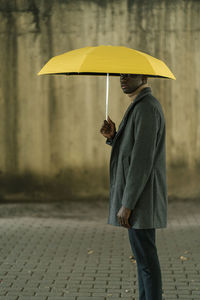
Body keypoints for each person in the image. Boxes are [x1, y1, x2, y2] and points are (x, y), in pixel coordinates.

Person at [100, 74, 168, 300]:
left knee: (147, 261)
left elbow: (142, 160)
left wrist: (127, 204)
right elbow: (132, 151)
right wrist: (113, 137)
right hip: (139, 197)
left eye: (129, 75)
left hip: (141, 199)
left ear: (144, 77)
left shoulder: (146, 108)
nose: (123, 79)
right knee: (143, 261)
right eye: (121, 74)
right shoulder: (139, 106)